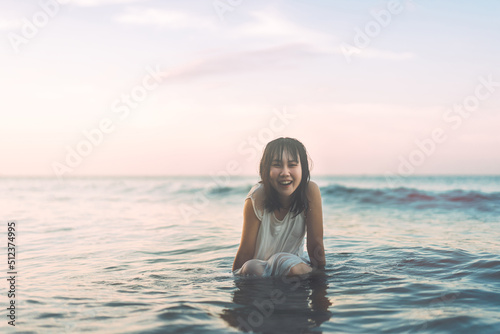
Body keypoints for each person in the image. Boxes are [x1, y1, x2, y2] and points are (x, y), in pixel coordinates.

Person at [232, 137, 325, 277]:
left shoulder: (310, 192)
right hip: (261, 272)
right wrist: (232, 282)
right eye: (277, 165)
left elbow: (315, 247)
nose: (285, 173)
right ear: (266, 169)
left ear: (303, 168)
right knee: (252, 267)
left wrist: (321, 286)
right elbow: (245, 251)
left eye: (292, 165)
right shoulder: (257, 197)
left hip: (292, 266)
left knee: (283, 260)